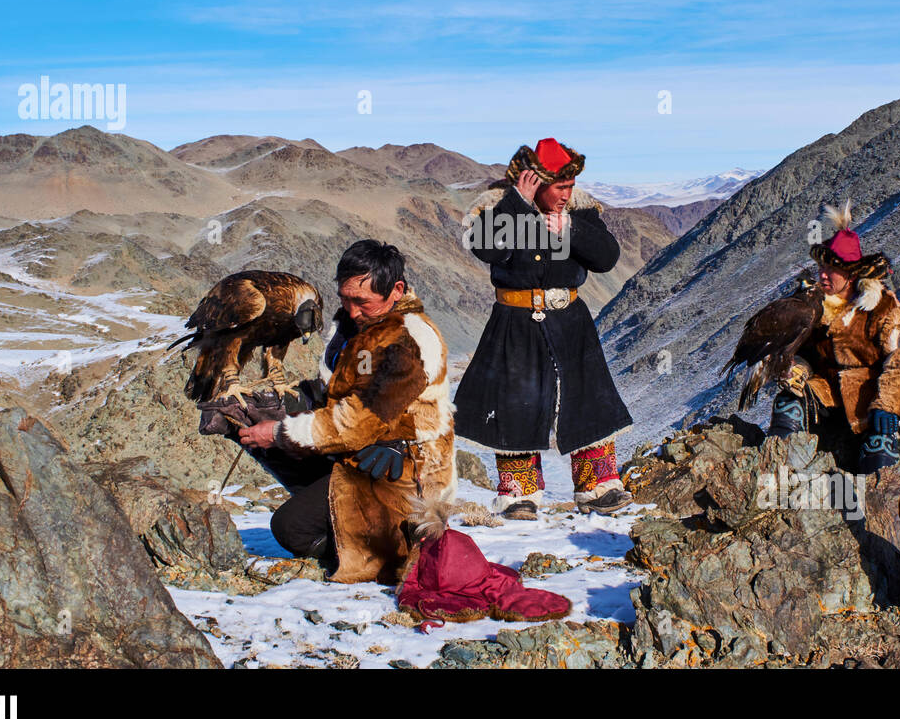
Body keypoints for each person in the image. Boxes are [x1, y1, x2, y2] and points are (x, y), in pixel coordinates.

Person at [236, 240, 455, 584]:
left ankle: (391, 544)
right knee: (265, 440)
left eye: (362, 302)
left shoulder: (407, 340)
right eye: (344, 298)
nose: (352, 311)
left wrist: (280, 431)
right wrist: (286, 402)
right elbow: (339, 390)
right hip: (358, 452)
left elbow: (359, 421)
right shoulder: (352, 327)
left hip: (403, 467)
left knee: (289, 528)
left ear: (396, 291)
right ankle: (352, 521)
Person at [454, 137, 633, 519]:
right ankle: (519, 493)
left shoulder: (580, 212)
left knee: (586, 397)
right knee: (516, 402)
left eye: (570, 186)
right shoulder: (497, 209)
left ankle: (598, 486)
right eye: (561, 187)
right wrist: (516, 206)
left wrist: (571, 230)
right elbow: (487, 249)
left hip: (570, 320)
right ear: (535, 182)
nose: (568, 194)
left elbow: (607, 258)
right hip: (514, 321)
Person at [766, 201, 900, 473]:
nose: (822, 275)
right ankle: (778, 476)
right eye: (820, 267)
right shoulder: (814, 307)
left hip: (879, 392)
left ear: (851, 274)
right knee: (787, 404)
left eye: (831, 269)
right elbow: (802, 352)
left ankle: (875, 500)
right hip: (831, 392)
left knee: (881, 442)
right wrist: (796, 369)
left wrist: (888, 405)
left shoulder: (883, 308)